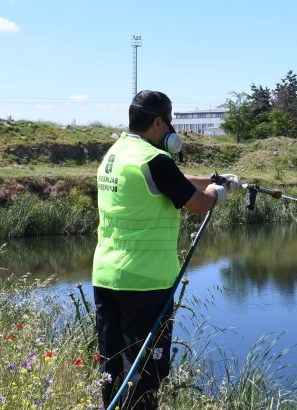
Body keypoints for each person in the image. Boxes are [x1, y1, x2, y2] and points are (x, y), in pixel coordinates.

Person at [92, 90, 242, 409]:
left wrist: (213, 179)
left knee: (113, 366)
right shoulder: (155, 159)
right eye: (170, 121)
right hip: (145, 282)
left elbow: (174, 181)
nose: (172, 129)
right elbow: (198, 204)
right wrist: (217, 193)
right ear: (158, 122)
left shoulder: (117, 153)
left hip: (106, 277)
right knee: (146, 373)